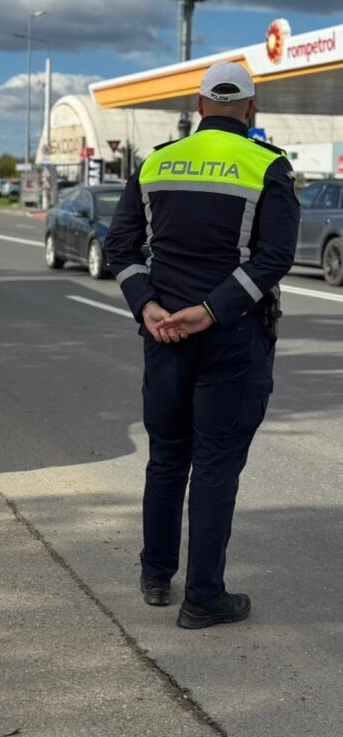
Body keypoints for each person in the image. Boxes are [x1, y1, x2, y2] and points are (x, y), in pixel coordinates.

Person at [105, 62, 300, 629]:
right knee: (214, 466)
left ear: (198, 106)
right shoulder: (268, 165)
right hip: (231, 335)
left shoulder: (158, 161)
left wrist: (149, 305)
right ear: (250, 109)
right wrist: (211, 311)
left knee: (167, 458)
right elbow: (274, 258)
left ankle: (155, 575)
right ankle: (203, 597)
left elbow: (122, 245)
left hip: (163, 333)